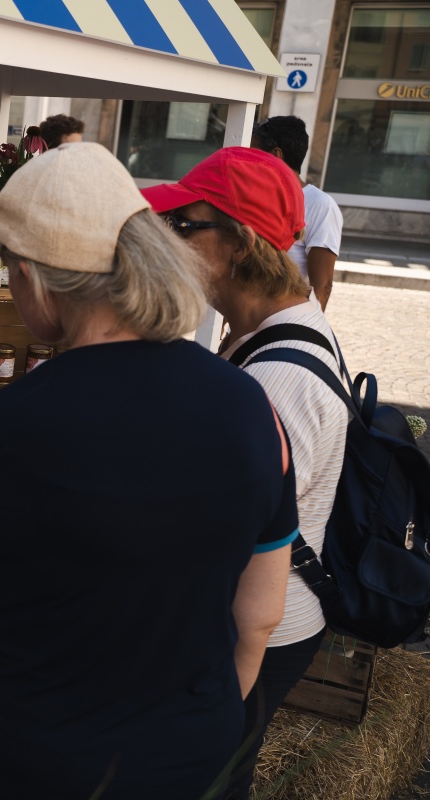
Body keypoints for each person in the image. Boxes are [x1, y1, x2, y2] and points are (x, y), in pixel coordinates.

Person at [0, 143, 297, 800]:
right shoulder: (253, 407)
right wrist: (197, 726)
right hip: (195, 760)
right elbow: (260, 616)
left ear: (36, 278)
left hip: (21, 762)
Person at [142, 146, 349, 800]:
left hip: (253, 634)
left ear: (237, 244)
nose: (167, 241)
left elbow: (229, 541)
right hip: (256, 620)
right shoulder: (262, 332)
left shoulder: (278, 378)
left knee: (208, 780)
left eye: (183, 227)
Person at [252, 116, 342, 310]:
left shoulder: (319, 204)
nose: (250, 161)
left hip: (283, 325)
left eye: (255, 153)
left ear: (276, 155)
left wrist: (306, 330)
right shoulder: (254, 196)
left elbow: (322, 286)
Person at [0, 113, 85, 229]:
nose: (78, 154)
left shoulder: (68, 184)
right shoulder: (29, 178)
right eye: (72, 149)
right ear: (50, 150)